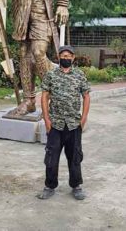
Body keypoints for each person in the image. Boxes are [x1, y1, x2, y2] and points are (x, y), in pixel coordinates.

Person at [38, 46, 91, 200]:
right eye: (63, 55)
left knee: (75, 157)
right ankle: (49, 186)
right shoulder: (51, 74)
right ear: (58, 57)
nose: (66, 58)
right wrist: (46, 119)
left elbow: (86, 96)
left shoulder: (80, 75)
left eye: (68, 56)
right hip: (55, 123)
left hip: (74, 124)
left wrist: (84, 118)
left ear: (73, 58)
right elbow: (44, 96)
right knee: (51, 157)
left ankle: (76, 186)